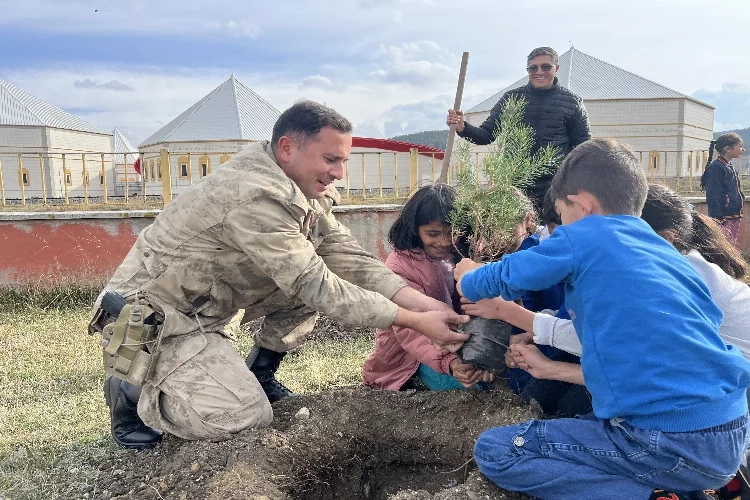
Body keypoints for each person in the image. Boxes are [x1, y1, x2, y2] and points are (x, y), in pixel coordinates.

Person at [89, 100, 470, 449]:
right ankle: (134, 392)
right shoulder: (254, 197)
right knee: (243, 417)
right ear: (287, 148)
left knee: (308, 289)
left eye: (344, 161)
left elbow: (346, 257)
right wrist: (417, 321)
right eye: (331, 159)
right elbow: (317, 285)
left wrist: (422, 304)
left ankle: (260, 372)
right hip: (156, 320)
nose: (339, 173)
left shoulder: (302, 189)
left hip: (207, 303)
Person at [454, 138, 750, 499]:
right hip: (729, 428)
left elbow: (513, 272)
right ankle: (683, 488)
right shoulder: (666, 252)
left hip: (668, 440)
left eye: (562, 216)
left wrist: (468, 276)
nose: (561, 228)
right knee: (583, 425)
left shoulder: (588, 233)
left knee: (497, 449)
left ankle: (649, 495)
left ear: (581, 205)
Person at [362, 184, 494, 391]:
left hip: (462, 341)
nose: (443, 242)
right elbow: (410, 330)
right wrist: (450, 363)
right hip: (409, 357)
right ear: (415, 229)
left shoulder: (469, 256)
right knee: (472, 389)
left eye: (452, 232)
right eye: (433, 234)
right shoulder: (400, 265)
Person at [446, 46, 591, 217]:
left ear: (556, 68)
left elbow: (582, 147)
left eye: (546, 67)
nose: (539, 72)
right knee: (517, 238)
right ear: (527, 70)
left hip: (555, 186)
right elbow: (486, 135)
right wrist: (463, 127)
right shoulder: (512, 98)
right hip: (515, 184)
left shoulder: (572, 102)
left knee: (553, 235)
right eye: (533, 68)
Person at [701, 132, 745, 247]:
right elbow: (712, 194)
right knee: (723, 247)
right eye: (740, 146)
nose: (742, 149)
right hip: (723, 217)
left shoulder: (729, 167)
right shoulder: (716, 168)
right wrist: (717, 217)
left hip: (734, 213)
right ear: (728, 148)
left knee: (730, 246)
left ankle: (728, 265)